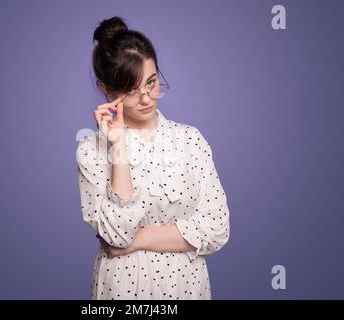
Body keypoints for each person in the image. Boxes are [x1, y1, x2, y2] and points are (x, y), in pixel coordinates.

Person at [76, 16, 230, 300]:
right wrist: (118, 145)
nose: (146, 98)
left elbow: (217, 228)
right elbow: (116, 235)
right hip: (122, 290)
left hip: (186, 288)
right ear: (106, 89)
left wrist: (134, 242)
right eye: (131, 91)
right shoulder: (91, 150)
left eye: (152, 82)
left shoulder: (189, 140)